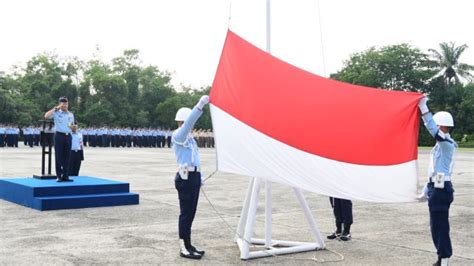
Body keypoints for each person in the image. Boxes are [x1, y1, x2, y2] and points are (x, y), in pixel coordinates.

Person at [418, 97, 456, 266]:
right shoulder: (438, 146)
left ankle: (445, 259)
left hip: (442, 190)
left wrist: (423, 108)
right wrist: (426, 190)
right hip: (436, 188)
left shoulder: (447, 143)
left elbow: (432, 129)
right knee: (435, 226)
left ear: (441, 126)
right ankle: (441, 256)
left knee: (440, 226)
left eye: (436, 125)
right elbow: (434, 172)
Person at [172, 95, 209, 260]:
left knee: (191, 212)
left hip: (193, 176)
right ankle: (183, 247)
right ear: (183, 121)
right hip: (185, 178)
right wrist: (200, 105)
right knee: (186, 213)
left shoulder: (190, 138)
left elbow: (195, 159)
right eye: (189, 122)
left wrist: (199, 176)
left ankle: (189, 244)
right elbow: (188, 124)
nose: (192, 125)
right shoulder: (178, 135)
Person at [44, 96, 75, 182]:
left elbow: (71, 125)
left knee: (67, 156)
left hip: (68, 136)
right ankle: (59, 176)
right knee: (59, 156)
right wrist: (56, 108)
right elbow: (46, 116)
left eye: (66, 104)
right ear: (60, 104)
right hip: (59, 136)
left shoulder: (70, 114)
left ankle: (66, 175)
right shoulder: (56, 113)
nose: (65, 105)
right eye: (63, 104)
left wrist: (74, 128)